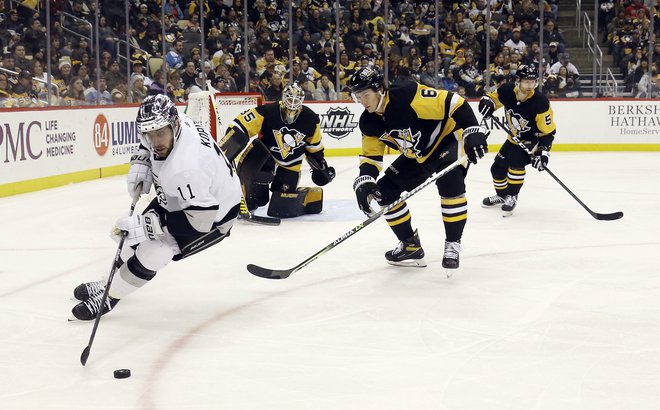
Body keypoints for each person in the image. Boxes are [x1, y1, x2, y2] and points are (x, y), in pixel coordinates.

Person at [70, 94, 242, 320]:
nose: (155, 141)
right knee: (133, 238)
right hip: (187, 195)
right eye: (149, 135)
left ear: (174, 126)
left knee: (155, 251)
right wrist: (142, 160)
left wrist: (148, 226)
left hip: (214, 215)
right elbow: (150, 137)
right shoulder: (175, 120)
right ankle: (108, 282)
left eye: (160, 134)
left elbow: (200, 222)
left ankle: (110, 297)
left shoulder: (186, 169)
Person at [348, 66, 488, 270]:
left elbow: (454, 102)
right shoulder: (369, 122)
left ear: (379, 88)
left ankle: (452, 244)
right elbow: (371, 156)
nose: (362, 102)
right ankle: (410, 245)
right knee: (385, 192)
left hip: (447, 140)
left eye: (365, 95)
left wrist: (472, 130)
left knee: (450, 182)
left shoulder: (407, 95)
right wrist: (365, 181)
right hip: (418, 155)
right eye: (358, 97)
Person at [219, 83, 336, 218]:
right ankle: (248, 202)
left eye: (296, 100)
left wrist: (320, 164)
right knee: (256, 197)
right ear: (283, 97)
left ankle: (308, 195)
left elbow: (314, 148)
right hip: (265, 158)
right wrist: (233, 140)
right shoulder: (268, 111)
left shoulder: (310, 119)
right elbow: (240, 123)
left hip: (291, 165)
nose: (292, 103)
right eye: (289, 99)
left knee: (281, 208)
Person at [478, 64, 557, 217]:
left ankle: (512, 196)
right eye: (526, 82)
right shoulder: (506, 90)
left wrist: (543, 152)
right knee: (496, 169)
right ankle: (502, 195)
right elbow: (491, 98)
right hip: (513, 139)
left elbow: (548, 132)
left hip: (532, 140)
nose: (530, 86)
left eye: (533, 82)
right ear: (518, 81)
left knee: (516, 163)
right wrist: (486, 103)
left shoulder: (540, 102)